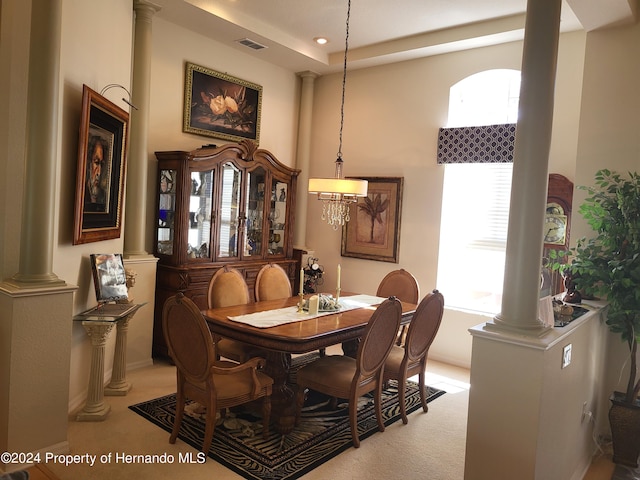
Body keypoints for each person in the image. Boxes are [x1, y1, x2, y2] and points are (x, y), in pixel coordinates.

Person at [84, 135, 109, 211]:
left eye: (102, 164)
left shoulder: (103, 196)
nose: (99, 172)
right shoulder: (82, 193)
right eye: (96, 162)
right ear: (88, 163)